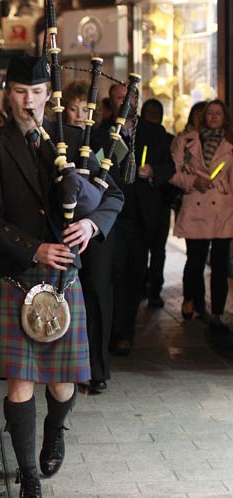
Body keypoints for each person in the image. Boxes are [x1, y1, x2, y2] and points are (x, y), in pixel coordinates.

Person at [0, 55, 123, 498]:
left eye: (37, 93)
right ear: (8, 93)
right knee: (21, 380)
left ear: (48, 96)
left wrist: (92, 225)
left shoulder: (75, 140)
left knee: (62, 382)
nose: (28, 102)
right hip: (15, 272)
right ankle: (28, 476)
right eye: (20, 92)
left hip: (64, 278)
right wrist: (32, 246)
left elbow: (113, 194)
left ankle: (55, 430)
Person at [97, 84, 175, 356]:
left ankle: (124, 333)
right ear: (112, 101)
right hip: (109, 218)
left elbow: (169, 166)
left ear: (137, 101)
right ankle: (108, 331)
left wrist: (153, 170)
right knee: (111, 275)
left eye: (129, 97)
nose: (125, 102)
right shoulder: (99, 132)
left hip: (140, 217)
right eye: (119, 97)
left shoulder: (155, 133)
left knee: (133, 276)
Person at [62, 79, 114, 393]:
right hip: (64, 230)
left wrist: (95, 223)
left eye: (86, 108)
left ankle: (98, 369)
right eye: (74, 108)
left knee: (97, 294)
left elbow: (114, 191)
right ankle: (70, 364)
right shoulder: (57, 139)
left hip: (95, 232)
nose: (81, 114)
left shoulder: (105, 140)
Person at [170, 99, 233, 330]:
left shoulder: (230, 144)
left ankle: (217, 312)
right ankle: (191, 299)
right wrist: (192, 181)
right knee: (195, 260)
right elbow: (172, 172)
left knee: (220, 264)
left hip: (222, 209)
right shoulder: (186, 141)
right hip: (195, 202)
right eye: (210, 113)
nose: (214, 117)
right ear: (202, 116)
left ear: (225, 117)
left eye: (219, 113)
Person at [139, 98, 176, 308]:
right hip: (144, 205)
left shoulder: (167, 139)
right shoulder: (137, 136)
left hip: (160, 203)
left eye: (155, 112)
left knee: (156, 250)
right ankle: (148, 288)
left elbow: (171, 169)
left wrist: (154, 173)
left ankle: (153, 289)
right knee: (148, 250)